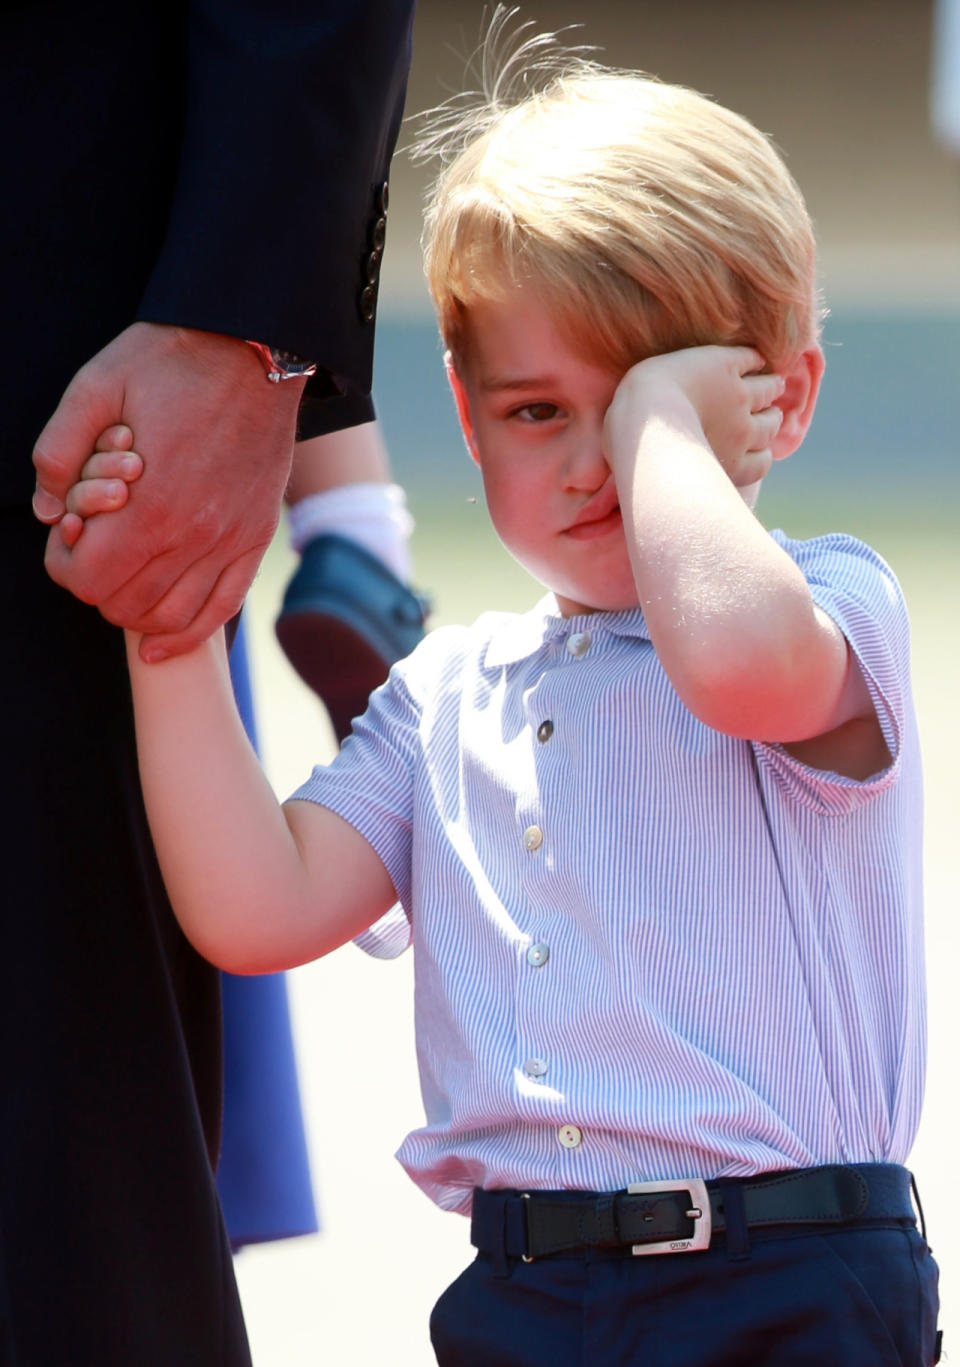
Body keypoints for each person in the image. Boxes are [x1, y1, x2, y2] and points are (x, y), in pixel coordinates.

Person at [71, 44, 940, 1367]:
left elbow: (729, 665)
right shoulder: (445, 700)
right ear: (469, 434)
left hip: (788, 1274)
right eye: (537, 412)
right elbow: (259, 910)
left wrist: (669, 430)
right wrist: (169, 629)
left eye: (644, 398)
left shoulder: (826, 608)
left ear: (790, 396)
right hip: (527, 1289)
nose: (597, 463)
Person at [0, 3, 414, 1362]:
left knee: (54, 1167)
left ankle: (356, 533)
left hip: (47, 326)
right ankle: (358, 536)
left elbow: (257, 909)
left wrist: (246, 319)